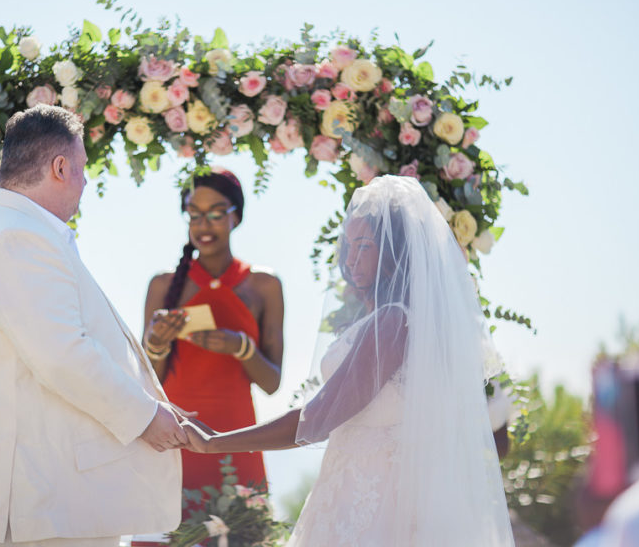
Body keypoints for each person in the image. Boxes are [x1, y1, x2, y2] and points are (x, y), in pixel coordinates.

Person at [183, 175, 514, 546]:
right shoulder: (379, 319)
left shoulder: (393, 321)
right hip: (348, 490)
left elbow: (320, 415)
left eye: (364, 246)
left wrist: (214, 442)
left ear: (392, 252)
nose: (351, 258)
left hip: (379, 505)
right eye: (348, 245)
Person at [0, 105, 185, 547]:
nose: (85, 182)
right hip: (42, 505)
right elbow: (63, 357)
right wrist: (146, 417)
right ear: (60, 167)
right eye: (83, 169)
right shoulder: (18, 238)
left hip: (39, 502)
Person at [142, 168, 284, 494]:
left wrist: (242, 348)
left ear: (237, 217)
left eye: (216, 214)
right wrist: (157, 345)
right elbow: (146, 384)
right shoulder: (162, 285)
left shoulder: (264, 285)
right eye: (194, 215)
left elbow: (272, 383)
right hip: (175, 439)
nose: (204, 225)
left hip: (236, 440)